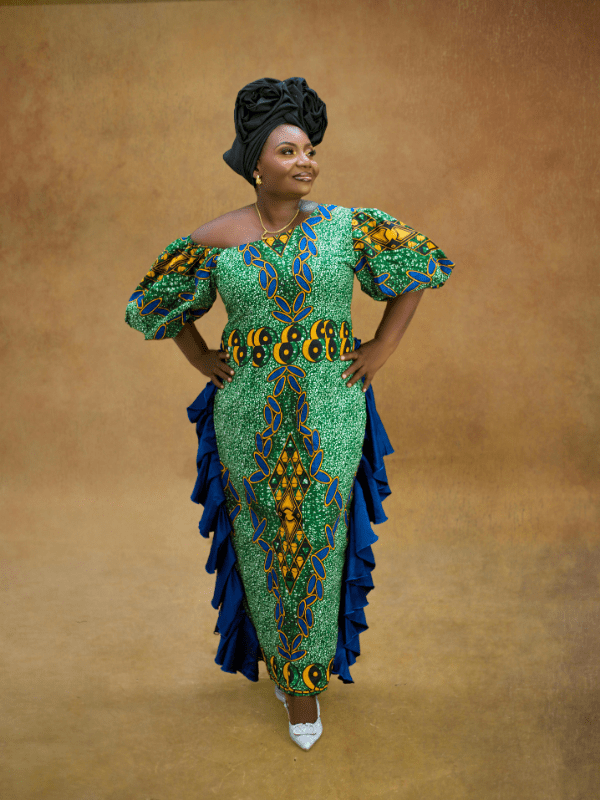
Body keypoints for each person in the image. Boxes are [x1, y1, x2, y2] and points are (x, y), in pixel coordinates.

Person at [125, 77, 455, 750]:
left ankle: (304, 683)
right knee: (262, 540)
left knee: (319, 539)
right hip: (247, 414)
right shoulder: (215, 239)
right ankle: (284, 665)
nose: (305, 161)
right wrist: (199, 357)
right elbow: (154, 305)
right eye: (288, 151)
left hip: (332, 407)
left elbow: (421, 267)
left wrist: (383, 347)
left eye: (309, 150)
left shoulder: (348, 227)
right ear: (256, 165)